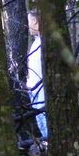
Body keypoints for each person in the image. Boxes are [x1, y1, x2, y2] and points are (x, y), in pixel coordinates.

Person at [26, 10, 48, 140]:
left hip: (42, 91)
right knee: (40, 121)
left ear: (35, 21)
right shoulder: (36, 42)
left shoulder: (44, 43)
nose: (28, 25)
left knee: (45, 121)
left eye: (29, 21)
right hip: (35, 91)